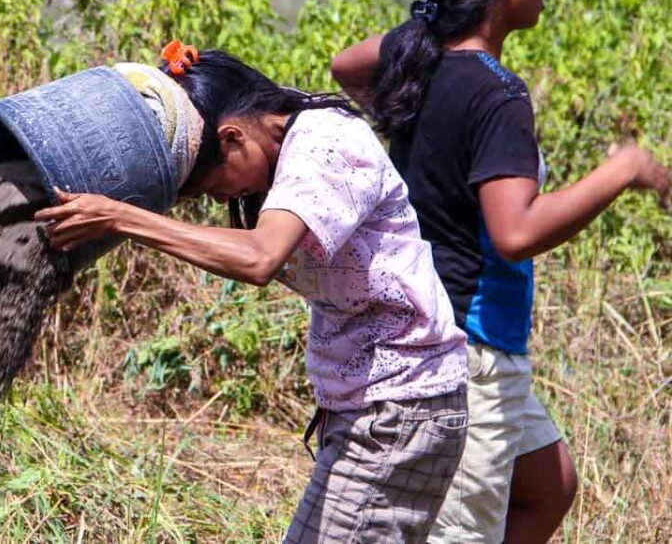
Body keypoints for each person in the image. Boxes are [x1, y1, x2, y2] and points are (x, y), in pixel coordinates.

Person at [330, 0, 671, 543]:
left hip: (457, 336)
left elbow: (347, 65)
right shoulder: (497, 97)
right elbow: (513, 233)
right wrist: (622, 170)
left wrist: (431, 25)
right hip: (471, 355)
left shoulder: (422, 59)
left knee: (552, 484)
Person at [28, 43, 470, 542]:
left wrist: (122, 218)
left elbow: (261, 256)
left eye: (216, 186)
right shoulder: (277, 144)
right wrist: (22, 190)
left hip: (400, 408)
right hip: (369, 409)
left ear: (233, 137)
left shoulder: (326, 145)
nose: (222, 200)